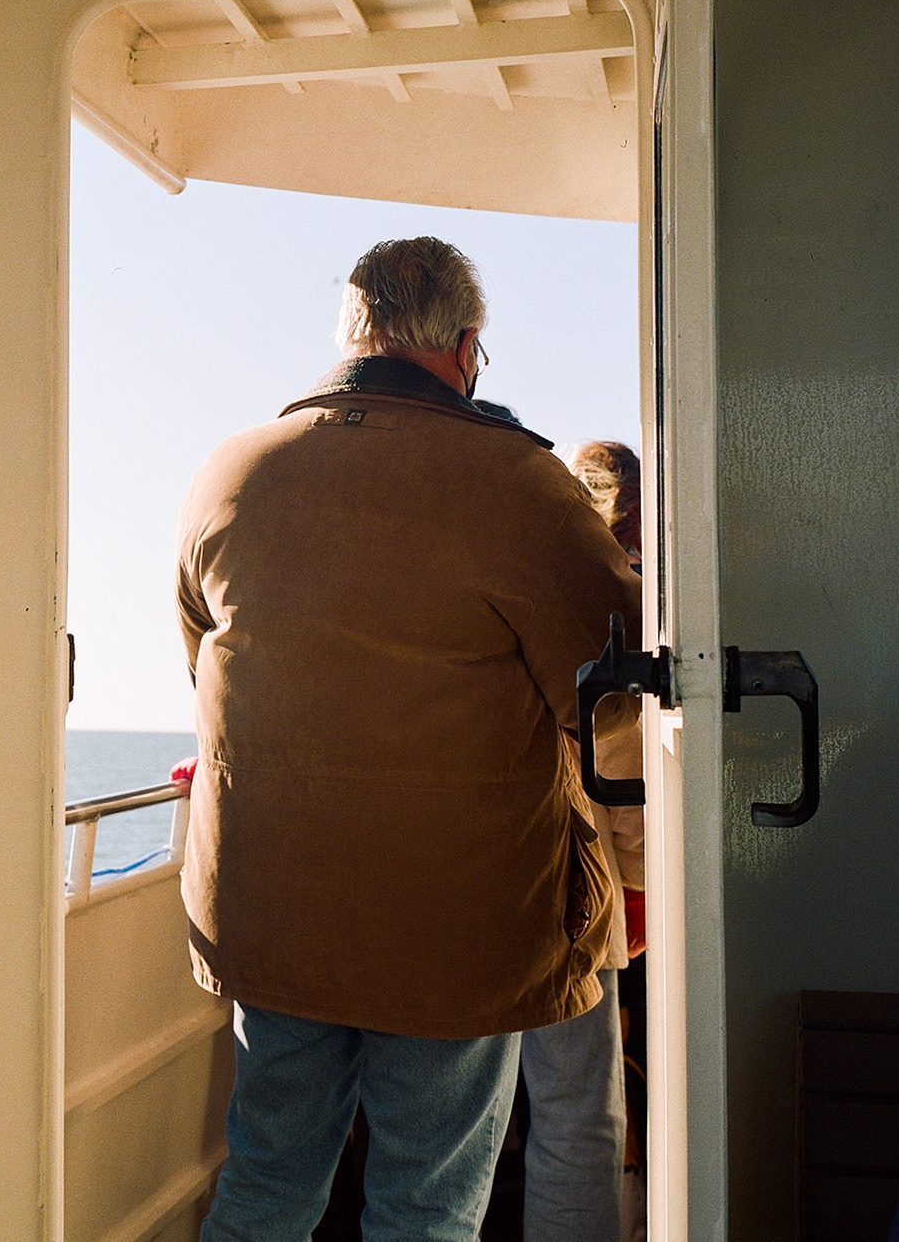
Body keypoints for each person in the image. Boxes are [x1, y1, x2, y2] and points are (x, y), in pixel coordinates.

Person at [177, 237, 643, 1242]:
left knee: (264, 1188)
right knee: (425, 1208)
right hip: (455, 924)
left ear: (354, 331)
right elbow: (609, 692)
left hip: (270, 907)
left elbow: (204, 662)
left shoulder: (231, 471)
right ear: (467, 348)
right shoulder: (519, 483)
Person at [516, 441, 647, 1242]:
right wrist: (637, 883)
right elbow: (623, 777)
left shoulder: (514, 568)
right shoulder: (617, 602)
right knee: (575, 1109)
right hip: (569, 885)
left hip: (459, 872)